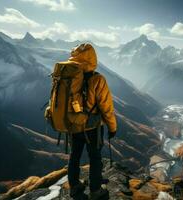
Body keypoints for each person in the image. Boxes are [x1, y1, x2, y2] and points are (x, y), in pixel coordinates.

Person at [66, 43, 117, 200]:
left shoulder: (69, 76)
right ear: (92, 58)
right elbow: (106, 107)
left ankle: (74, 186)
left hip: (74, 124)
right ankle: (95, 190)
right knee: (95, 157)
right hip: (92, 127)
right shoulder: (97, 80)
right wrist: (112, 127)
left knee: (74, 155)